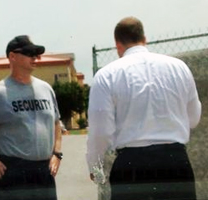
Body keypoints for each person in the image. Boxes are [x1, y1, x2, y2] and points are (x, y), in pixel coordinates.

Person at [86, 16, 202, 200]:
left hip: (132, 166)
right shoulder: (179, 68)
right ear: (144, 39)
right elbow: (194, 119)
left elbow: (101, 132)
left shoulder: (106, 75)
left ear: (118, 44)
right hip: (175, 162)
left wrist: (95, 167)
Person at [0, 35, 63, 200]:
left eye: (36, 53)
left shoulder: (46, 89)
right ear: (12, 57)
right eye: (29, 53)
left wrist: (57, 154)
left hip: (43, 173)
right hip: (13, 173)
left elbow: (56, 122)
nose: (35, 57)